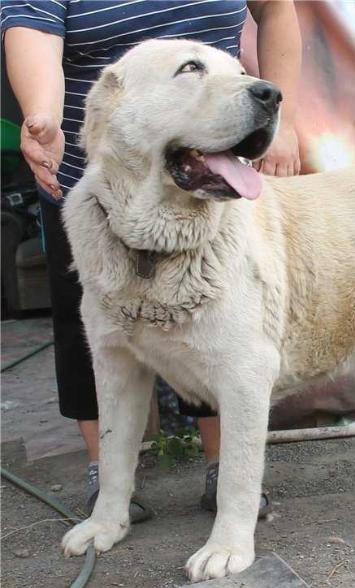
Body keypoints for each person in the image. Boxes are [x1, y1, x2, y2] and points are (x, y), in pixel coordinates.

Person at [2, 0, 301, 520]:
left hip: (215, 156)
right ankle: (110, 484)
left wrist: (284, 116)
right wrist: (42, 116)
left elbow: (276, 12)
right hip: (101, 177)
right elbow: (33, 36)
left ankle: (223, 468)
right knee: (95, 340)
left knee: (217, 327)